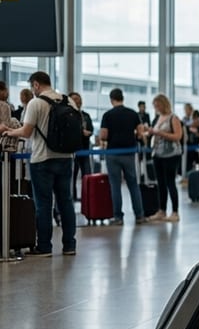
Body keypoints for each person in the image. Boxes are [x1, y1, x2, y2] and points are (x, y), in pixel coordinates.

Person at [1, 72, 78, 256]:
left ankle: (44, 246)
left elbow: (26, 132)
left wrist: (8, 131)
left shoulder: (36, 103)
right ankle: (69, 246)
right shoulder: (69, 101)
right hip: (66, 158)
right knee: (66, 202)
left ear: (36, 85)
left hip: (42, 159)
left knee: (44, 204)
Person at [99, 88, 147, 226]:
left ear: (111, 99)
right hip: (129, 153)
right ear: (122, 98)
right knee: (133, 184)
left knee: (115, 186)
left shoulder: (107, 115)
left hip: (113, 153)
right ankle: (139, 215)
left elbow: (103, 135)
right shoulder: (132, 114)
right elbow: (140, 133)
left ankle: (118, 217)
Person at [143, 94, 183, 223]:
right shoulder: (158, 118)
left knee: (170, 182)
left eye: (158, 105)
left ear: (163, 104)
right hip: (158, 154)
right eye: (154, 106)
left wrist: (160, 133)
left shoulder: (173, 118)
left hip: (171, 154)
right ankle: (162, 210)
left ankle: (175, 212)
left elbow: (178, 136)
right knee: (160, 183)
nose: (156, 107)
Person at [68, 91, 95, 200]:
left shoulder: (86, 115)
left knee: (87, 175)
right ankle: (72, 198)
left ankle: (87, 199)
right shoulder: (68, 115)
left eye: (79, 99)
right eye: (75, 99)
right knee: (72, 177)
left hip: (85, 150)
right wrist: (80, 132)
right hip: (72, 151)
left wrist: (88, 132)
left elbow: (91, 129)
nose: (77, 101)